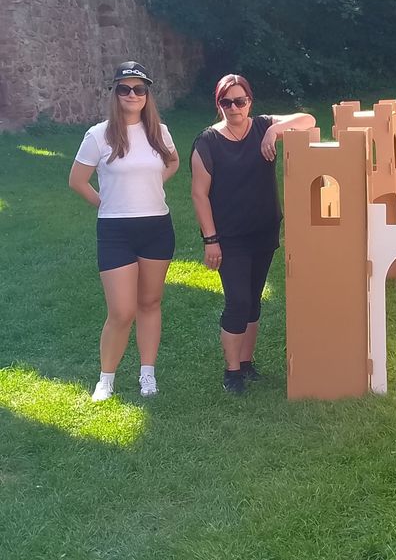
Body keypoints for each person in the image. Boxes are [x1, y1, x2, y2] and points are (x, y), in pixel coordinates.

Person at [190, 74, 315, 394]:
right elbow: (199, 195)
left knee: (254, 301)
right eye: (226, 102)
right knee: (238, 301)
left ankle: (247, 364)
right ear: (218, 105)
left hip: (263, 229)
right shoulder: (207, 142)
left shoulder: (262, 126)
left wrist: (274, 129)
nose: (234, 107)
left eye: (240, 101)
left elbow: (308, 119)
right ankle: (231, 372)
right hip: (229, 237)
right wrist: (210, 240)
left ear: (250, 102)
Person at [69, 61, 179, 401]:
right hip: (115, 230)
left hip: (157, 226)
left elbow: (173, 162)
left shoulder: (159, 131)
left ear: (147, 95)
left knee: (150, 302)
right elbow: (77, 180)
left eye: (139, 89)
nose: (132, 94)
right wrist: (105, 202)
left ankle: (148, 373)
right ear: (115, 93)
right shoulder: (98, 135)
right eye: (124, 88)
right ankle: (106, 378)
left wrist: (151, 184)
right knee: (121, 310)